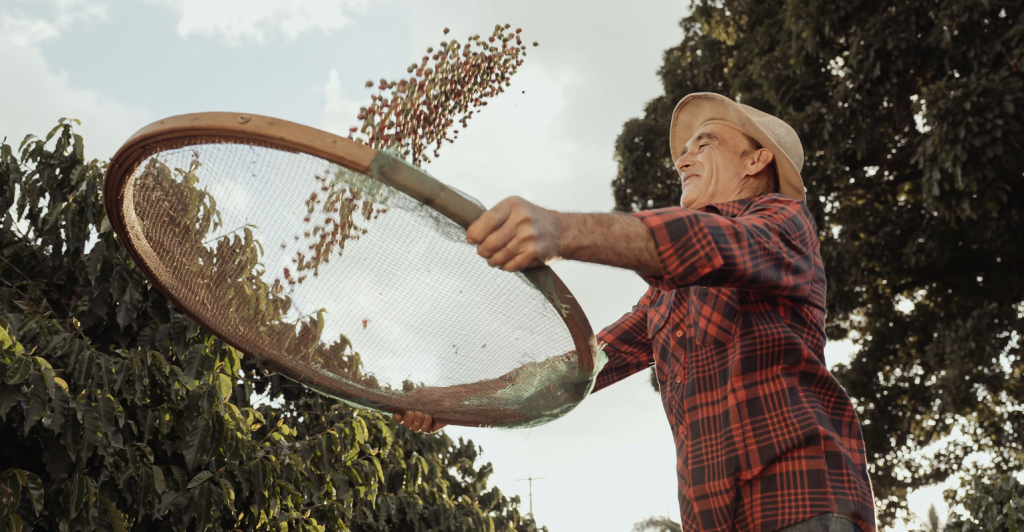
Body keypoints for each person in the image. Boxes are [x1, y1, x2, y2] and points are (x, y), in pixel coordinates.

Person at [394, 92, 877, 532]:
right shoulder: (664, 302)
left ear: (757, 158)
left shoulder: (785, 224)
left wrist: (561, 230)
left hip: (803, 502)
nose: (683, 160)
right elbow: (572, 373)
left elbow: (710, 243)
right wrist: (450, 402)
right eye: (684, 150)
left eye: (703, 143)